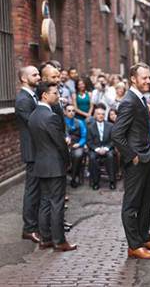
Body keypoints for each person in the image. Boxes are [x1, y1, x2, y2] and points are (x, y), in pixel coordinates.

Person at [112, 62, 150, 260]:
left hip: (146, 157)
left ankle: (144, 237)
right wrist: (132, 156)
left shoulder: (141, 99)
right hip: (136, 160)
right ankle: (134, 246)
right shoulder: (129, 101)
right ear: (133, 79)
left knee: (148, 198)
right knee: (131, 204)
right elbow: (117, 134)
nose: (148, 81)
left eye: (149, 77)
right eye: (144, 78)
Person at [28, 82, 76, 252]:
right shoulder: (51, 117)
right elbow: (59, 143)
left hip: (41, 164)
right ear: (44, 96)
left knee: (45, 202)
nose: (58, 96)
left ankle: (45, 239)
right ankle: (59, 241)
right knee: (57, 203)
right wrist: (67, 159)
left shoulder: (33, 116)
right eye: (54, 93)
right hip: (54, 165)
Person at [15, 66, 41, 244]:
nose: (38, 77)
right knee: (32, 190)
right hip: (32, 150)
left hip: (39, 149)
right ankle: (29, 228)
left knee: (38, 188)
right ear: (24, 79)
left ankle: (36, 224)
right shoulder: (23, 99)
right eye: (35, 74)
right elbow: (35, 123)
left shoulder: (33, 95)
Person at [87, 106, 116, 190]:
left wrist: (106, 148)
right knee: (92, 157)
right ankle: (95, 182)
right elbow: (89, 141)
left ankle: (112, 181)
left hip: (107, 148)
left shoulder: (110, 125)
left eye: (103, 114)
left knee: (111, 156)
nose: (101, 116)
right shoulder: (90, 127)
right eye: (98, 114)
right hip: (95, 149)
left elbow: (113, 140)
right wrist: (97, 149)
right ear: (95, 115)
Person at [64, 104, 87, 188]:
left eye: (73, 111)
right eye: (69, 111)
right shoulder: (61, 122)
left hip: (77, 144)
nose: (71, 112)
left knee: (78, 155)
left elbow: (84, 136)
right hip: (65, 145)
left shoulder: (80, 122)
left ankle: (74, 177)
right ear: (65, 112)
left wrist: (79, 144)